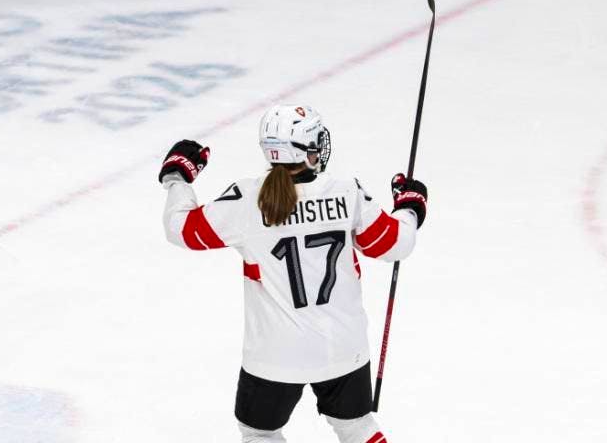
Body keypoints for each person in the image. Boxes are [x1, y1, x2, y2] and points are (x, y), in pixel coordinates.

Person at [157, 104, 428, 443]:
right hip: (342, 347)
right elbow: (394, 244)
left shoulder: (246, 201)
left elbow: (181, 229)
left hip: (275, 355)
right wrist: (409, 207)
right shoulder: (346, 192)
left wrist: (176, 178)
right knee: (357, 426)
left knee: (260, 433)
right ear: (308, 151)